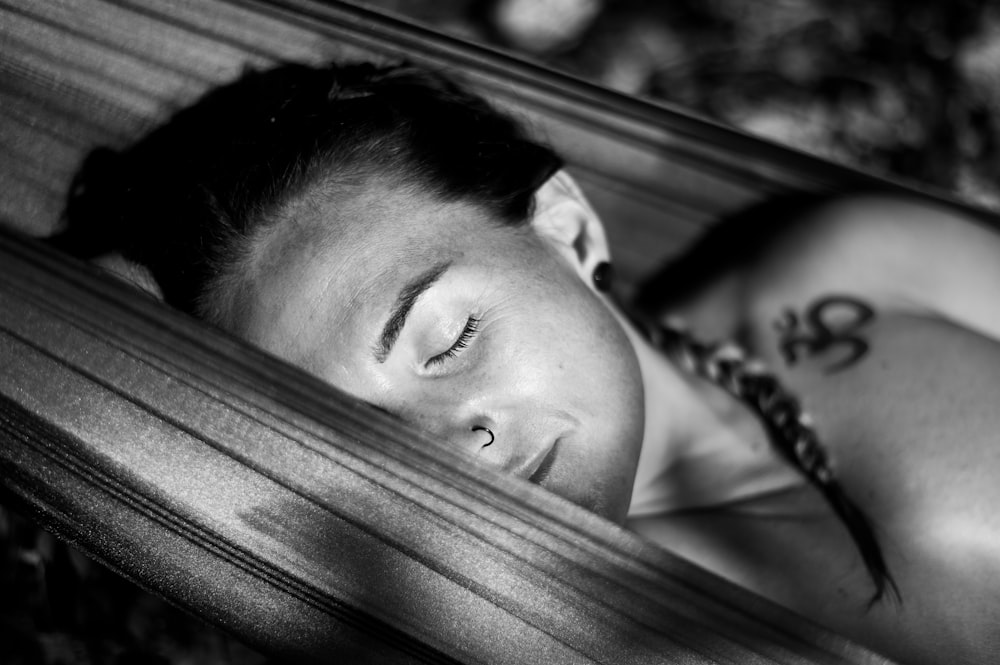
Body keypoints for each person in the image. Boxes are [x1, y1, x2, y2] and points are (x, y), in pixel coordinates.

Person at [55, 61, 1000, 664]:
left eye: (450, 340)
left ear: (565, 226)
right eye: (359, 441)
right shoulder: (532, 643)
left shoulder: (860, 266)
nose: (452, 443)